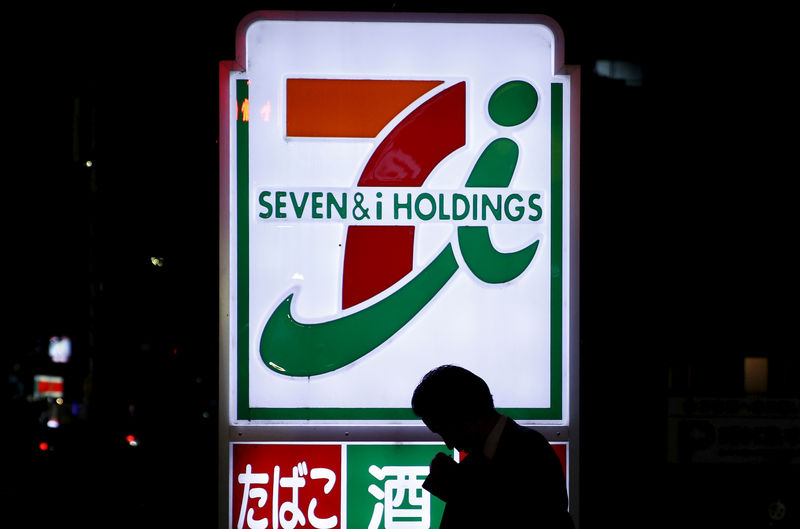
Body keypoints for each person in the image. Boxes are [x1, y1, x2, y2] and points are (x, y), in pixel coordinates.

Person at [411, 364, 574, 528]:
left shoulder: (531, 452)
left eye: (445, 432)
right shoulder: (516, 450)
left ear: (465, 415)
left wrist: (459, 486)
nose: (449, 444)